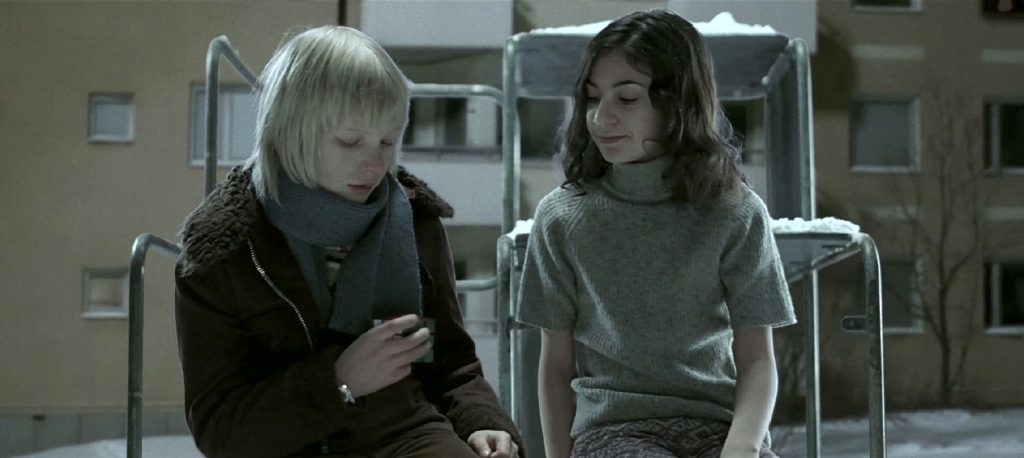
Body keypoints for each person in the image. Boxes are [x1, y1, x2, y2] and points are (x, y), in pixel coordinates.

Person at [174, 25, 521, 458]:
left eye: (387, 141)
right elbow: (219, 430)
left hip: (404, 433)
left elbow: (451, 363)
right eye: (350, 140)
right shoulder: (221, 251)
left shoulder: (416, 221)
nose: (375, 163)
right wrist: (338, 381)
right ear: (291, 129)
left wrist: (482, 422)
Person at [516, 9, 796, 458]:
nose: (600, 118)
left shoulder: (736, 212)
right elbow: (555, 367)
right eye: (592, 98)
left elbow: (758, 359)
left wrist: (742, 446)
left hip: (718, 427)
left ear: (678, 104)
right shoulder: (562, 217)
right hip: (613, 430)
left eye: (626, 99)